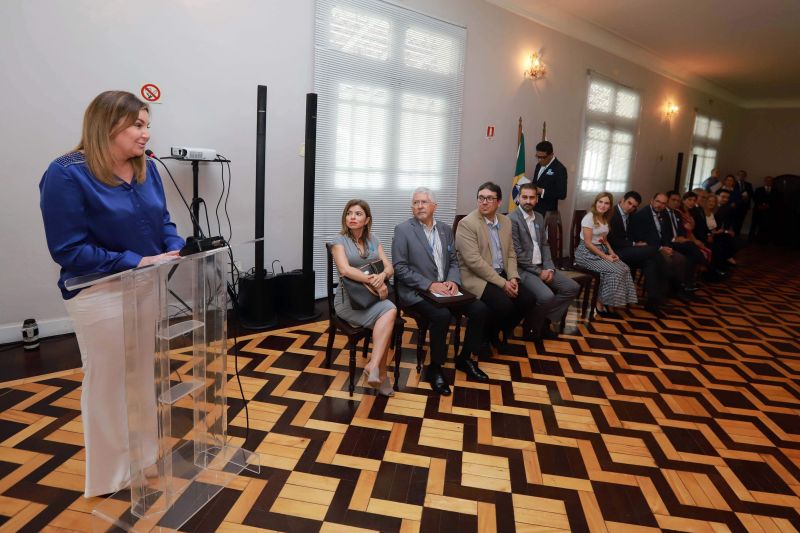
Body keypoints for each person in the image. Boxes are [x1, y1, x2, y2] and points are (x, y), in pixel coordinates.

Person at [39, 90, 185, 498]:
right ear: (108, 125)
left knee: (140, 377)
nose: (146, 134)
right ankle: (108, 477)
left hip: (146, 285)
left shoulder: (146, 169)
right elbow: (68, 250)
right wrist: (133, 261)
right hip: (99, 290)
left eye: (147, 125)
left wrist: (176, 247)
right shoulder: (66, 173)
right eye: (138, 125)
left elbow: (163, 222)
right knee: (107, 383)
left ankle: (141, 457)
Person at [393, 187, 489, 394]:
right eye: (416, 202)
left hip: (445, 289)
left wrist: (453, 281)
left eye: (424, 202)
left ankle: (464, 359)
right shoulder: (403, 230)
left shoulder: (445, 230)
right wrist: (428, 285)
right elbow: (399, 268)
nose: (419, 206)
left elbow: (454, 261)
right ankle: (434, 368)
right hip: (416, 291)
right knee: (441, 316)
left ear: (434, 206)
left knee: (479, 309)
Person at [455, 182, 535, 349]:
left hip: (501, 274)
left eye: (489, 199)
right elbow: (474, 262)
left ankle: (495, 331)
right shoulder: (467, 224)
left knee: (528, 299)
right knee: (504, 304)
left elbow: (511, 253)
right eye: (481, 198)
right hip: (476, 277)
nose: (484, 202)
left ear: (499, 202)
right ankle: (486, 338)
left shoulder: (506, 221)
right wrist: (503, 283)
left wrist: (513, 277)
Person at [331, 199, 397, 396]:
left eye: (358, 214)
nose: (352, 217)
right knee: (389, 315)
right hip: (348, 302)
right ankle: (381, 373)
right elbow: (344, 269)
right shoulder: (339, 241)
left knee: (388, 314)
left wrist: (383, 276)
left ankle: (374, 365)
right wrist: (373, 281)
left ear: (367, 219)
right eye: (349, 213)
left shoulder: (373, 240)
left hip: (370, 299)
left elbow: (389, 267)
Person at [508, 183, 579, 339]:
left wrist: (550, 268)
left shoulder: (539, 217)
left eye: (531, 197)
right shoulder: (511, 219)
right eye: (524, 197)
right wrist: (539, 272)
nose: (528, 200)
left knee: (572, 287)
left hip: (543, 266)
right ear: (518, 198)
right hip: (523, 269)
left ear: (537, 199)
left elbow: (545, 245)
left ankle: (538, 321)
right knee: (547, 296)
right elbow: (517, 253)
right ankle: (536, 325)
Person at [574, 192, 637, 317]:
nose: (602, 205)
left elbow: (604, 239)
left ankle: (611, 303)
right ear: (595, 202)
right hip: (586, 255)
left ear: (610, 206)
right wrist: (605, 257)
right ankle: (600, 304)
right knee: (615, 270)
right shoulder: (589, 217)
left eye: (606, 203)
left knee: (624, 268)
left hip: (600, 251)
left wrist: (612, 253)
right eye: (600, 202)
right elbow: (588, 244)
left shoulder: (604, 218)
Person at [607, 191, 666, 314]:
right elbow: (613, 240)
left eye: (634, 206)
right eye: (629, 203)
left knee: (650, 262)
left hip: (627, 250)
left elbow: (634, 234)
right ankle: (666, 280)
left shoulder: (632, 215)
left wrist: (636, 243)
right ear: (622, 200)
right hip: (613, 251)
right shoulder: (611, 213)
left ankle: (653, 302)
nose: (631, 207)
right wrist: (634, 244)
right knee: (653, 252)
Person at [629, 192, 692, 299]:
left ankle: (674, 290)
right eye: (658, 201)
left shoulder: (663, 214)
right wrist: (661, 248)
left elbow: (666, 235)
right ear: (652, 200)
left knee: (681, 259)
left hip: (662, 246)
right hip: (649, 248)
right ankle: (660, 294)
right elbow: (641, 237)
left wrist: (668, 247)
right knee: (668, 261)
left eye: (663, 203)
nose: (660, 205)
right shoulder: (642, 215)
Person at [664, 191, 705, 288]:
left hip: (679, 241)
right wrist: (675, 239)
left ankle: (686, 283)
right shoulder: (662, 213)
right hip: (669, 242)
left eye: (678, 201)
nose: (676, 203)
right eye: (673, 200)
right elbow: (662, 233)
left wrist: (682, 237)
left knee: (691, 255)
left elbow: (681, 230)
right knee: (691, 246)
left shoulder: (677, 213)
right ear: (667, 200)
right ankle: (703, 263)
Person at [532, 141, 567, 218]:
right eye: (538, 157)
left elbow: (562, 194)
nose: (539, 160)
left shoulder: (559, 169)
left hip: (547, 212)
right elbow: (536, 183)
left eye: (543, 157)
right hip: (534, 209)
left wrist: (542, 191)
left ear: (551, 155)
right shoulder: (538, 165)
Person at [703, 193, 737, 268]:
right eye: (709, 201)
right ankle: (720, 265)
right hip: (706, 236)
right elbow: (704, 228)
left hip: (714, 234)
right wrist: (713, 233)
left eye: (713, 202)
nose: (712, 203)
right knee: (720, 242)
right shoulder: (702, 212)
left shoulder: (712, 213)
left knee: (725, 237)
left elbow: (715, 227)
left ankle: (724, 262)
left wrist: (720, 232)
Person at [751, 176, 779, 243]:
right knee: (754, 224)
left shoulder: (775, 191)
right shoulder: (759, 189)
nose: (768, 182)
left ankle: (764, 240)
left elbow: (776, 200)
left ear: (772, 182)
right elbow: (755, 198)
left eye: (770, 181)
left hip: (769, 211)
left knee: (766, 225)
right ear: (765, 181)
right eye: (767, 180)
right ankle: (751, 238)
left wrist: (768, 205)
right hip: (758, 210)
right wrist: (760, 205)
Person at [733, 170, 754, 236]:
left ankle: (737, 235)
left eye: (743, 175)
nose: (741, 176)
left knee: (740, 222)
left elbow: (751, 195)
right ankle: (731, 236)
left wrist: (747, 197)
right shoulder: (733, 184)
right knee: (733, 222)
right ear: (737, 176)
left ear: (745, 176)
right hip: (735, 206)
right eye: (739, 175)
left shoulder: (748, 185)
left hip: (744, 207)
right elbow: (732, 194)